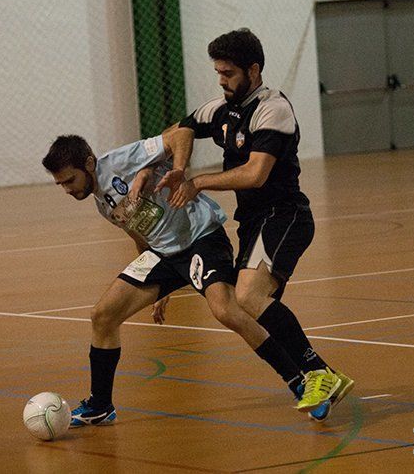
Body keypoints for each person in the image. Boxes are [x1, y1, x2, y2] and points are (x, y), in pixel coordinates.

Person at [42, 133, 317, 428]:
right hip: (162, 254)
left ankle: (298, 378)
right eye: (60, 184)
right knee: (103, 316)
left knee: (226, 310)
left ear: (89, 163)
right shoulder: (100, 201)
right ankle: (100, 405)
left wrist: (171, 170)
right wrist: (159, 289)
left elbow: (180, 135)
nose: (67, 190)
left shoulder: (120, 161)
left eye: (69, 181)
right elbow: (139, 233)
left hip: (201, 238)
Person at [155, 28, 354, 422]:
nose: (221, 80)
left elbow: (255, 174)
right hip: (254, 223)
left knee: (248, 296)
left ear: (254, 69)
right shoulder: (224, 108)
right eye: (218, 72)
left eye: (228, 73)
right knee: (242, 305)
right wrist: (173, 167)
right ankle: (314, 377)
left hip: (285, 216)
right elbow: (179, 131)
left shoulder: (272, 109)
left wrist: (197, 183)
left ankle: (318, 373)